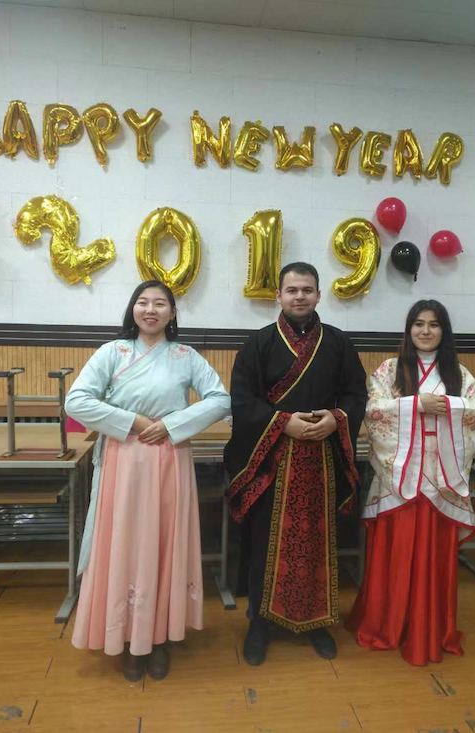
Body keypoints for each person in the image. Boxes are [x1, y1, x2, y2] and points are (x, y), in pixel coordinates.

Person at [66, 280, 230, 681]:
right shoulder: (112, 352)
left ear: (172, 313)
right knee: (126, 541)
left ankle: (158, 638)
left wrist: (172, 425)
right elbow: (77, 401)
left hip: (170, 457)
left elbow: (221, 400)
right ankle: (124, 637)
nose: (151, 309)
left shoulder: (186, 356)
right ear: (133, 309)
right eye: (143, 302)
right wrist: (134, 422)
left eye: (160, 303)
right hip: (124, 459)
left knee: (163, 541)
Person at [224, 262, 368, 665]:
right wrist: (283, 423)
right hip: (271, 460)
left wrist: (335, 420)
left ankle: (317, 622)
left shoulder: (338, 343)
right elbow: (243, 400)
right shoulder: (258, 343)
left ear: (319, 294)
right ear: (279, 296)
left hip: (322, 458)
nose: (299, 296)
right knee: (264, 542)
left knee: (318, 542)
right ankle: (259, 623)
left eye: (307, 290)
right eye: (292, 290)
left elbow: (356, 395)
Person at [348, 300, 475, 666]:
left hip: (442, 478)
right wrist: (416, 404)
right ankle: (388, 624)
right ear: (409, 329)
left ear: (444, 331)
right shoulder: (390, 369)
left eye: (434, 324)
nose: (426, 331)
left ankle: (431, 628)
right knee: (395, 555)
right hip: (400, 477)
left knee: (435, 557)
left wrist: (454, 409)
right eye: (419, 324)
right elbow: (373, 411)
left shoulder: (459, 374)